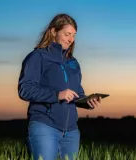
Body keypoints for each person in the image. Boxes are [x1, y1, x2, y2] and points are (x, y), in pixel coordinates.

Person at [18, 13, 101, 160]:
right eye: (67, 34)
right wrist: (57, 95)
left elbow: (77, 93)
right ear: (53, 31)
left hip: (71, 131)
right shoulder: (38, 57)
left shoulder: (73, 62)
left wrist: (88, 101)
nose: (71, 39)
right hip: (44, 126)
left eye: (74, 35)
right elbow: (25, 89)